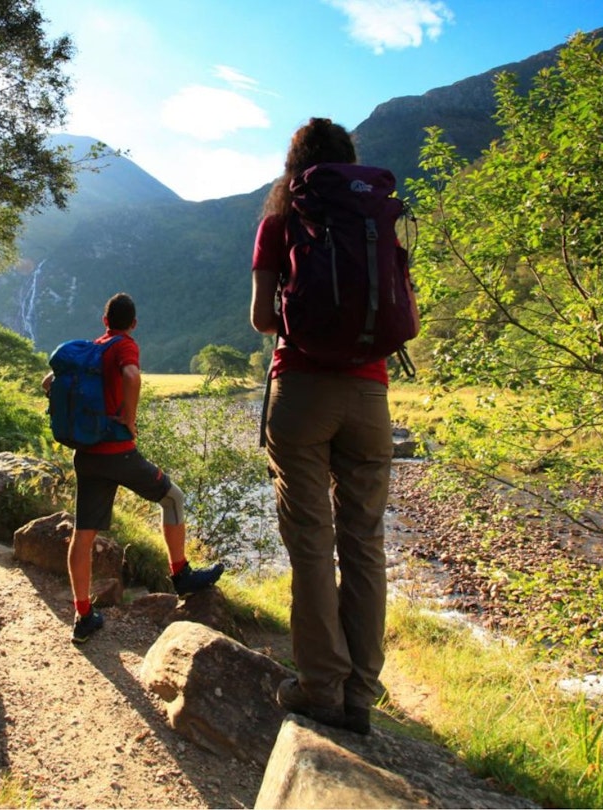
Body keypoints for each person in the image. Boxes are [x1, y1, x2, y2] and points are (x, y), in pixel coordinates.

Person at [249, 118, 392, 734]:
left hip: (302, 390)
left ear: (295, 166)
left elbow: (262, 319)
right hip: (370, 395)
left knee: (312, 540)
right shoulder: (372, 219)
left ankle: (320, 688)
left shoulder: (282, 222)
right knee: (365, 543)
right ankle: (361, 696)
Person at [43, 292, 225, 644]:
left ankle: (83, 616)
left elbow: (48, 383)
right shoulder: (124, 346)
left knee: (83, 535)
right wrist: (129, 417)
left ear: (104, 320)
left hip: (88, 455)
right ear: (134, 323)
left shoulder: (90, 349)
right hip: (118, 453)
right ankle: (181, 575)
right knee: (173, 498)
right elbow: (131, 374)